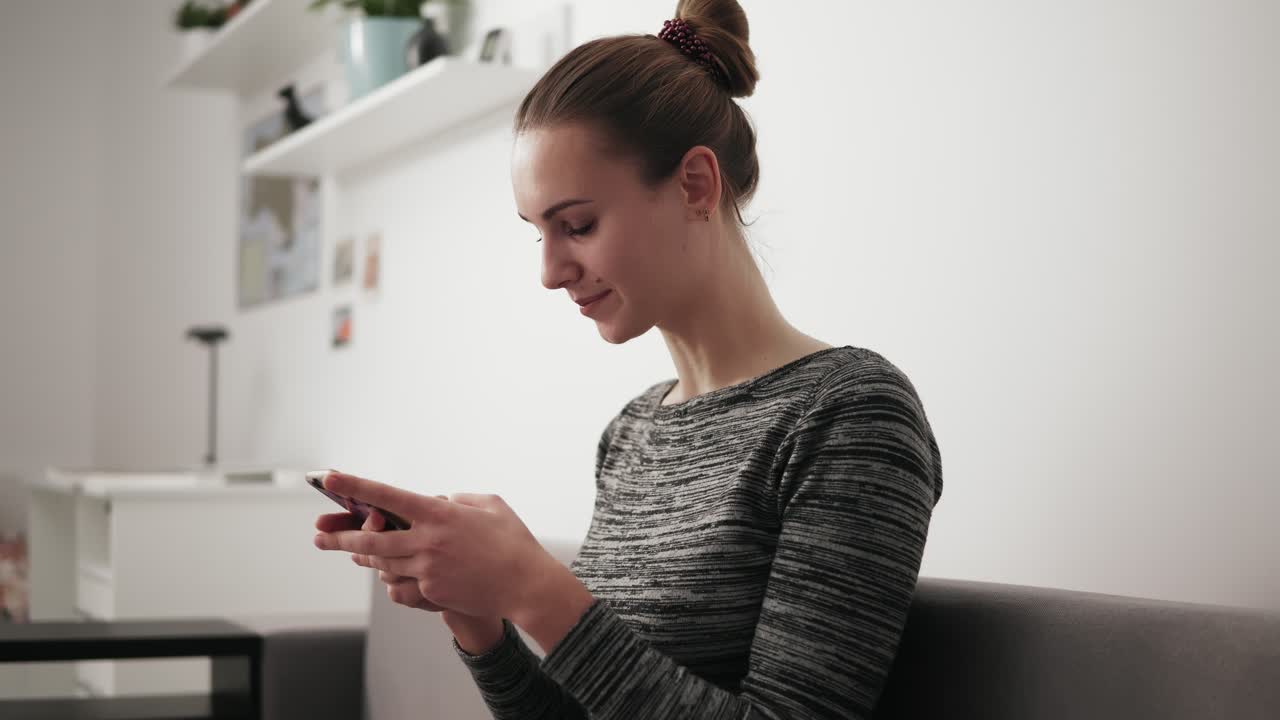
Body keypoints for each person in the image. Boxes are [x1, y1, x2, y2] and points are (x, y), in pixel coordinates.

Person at [312, 0, 944, 717]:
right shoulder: (633, 431)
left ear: (695, 184)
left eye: (578, 225)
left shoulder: (850, 414)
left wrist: (533, 586)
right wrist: (478, 621)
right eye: (539, 233)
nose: (550, 272)